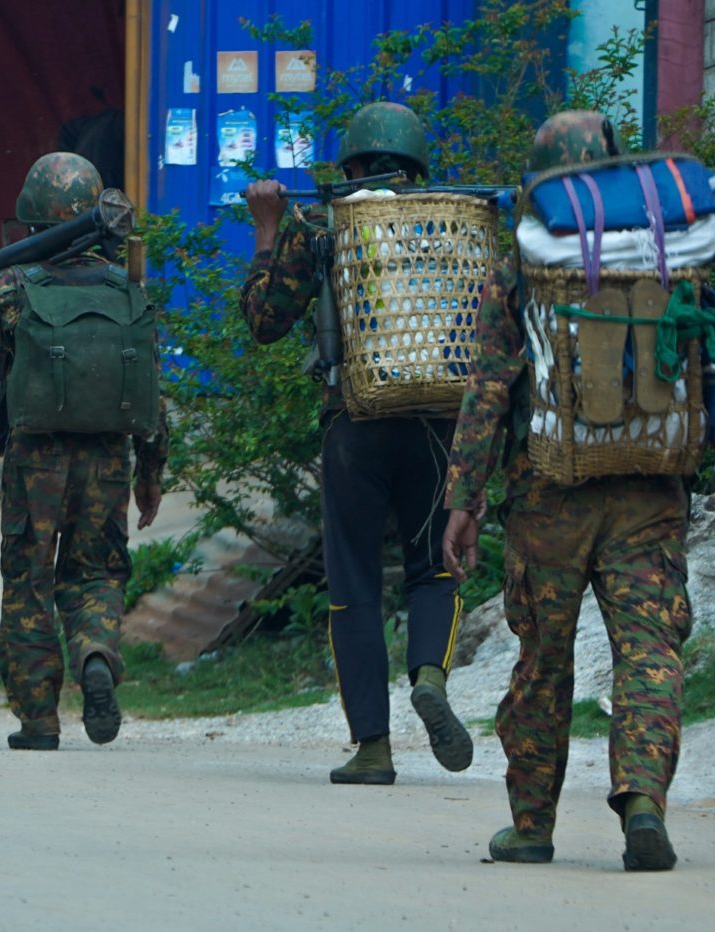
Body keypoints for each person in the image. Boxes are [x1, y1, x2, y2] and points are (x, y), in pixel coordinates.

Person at [442, 111, 692, 871]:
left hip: (548, 493)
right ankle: (642, 801)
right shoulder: (665, 249)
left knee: (543, 660)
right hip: (648, 487)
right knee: (647, 651)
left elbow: (490, 387)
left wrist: (463, 499)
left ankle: (531, 826)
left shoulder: (521, 264)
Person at [239, 101, 472, 784]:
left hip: (354, 427)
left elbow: (265, 321)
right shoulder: (452, 224)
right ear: (416, 164)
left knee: (354, 582)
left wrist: (267, 230)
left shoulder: (323, 224)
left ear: (351, 166)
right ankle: (429, 676)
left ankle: (373, 749)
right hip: (435, 425)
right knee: (434, 568)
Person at [0, 152, 167, 750]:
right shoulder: (128, 287)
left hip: (36, 463)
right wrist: (151, 472)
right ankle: (95, 655)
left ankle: (39, 720)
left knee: (28, 582)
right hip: (109, 460)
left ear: (33, 219)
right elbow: (152, 391)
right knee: (96, 573)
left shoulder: (12, 286)